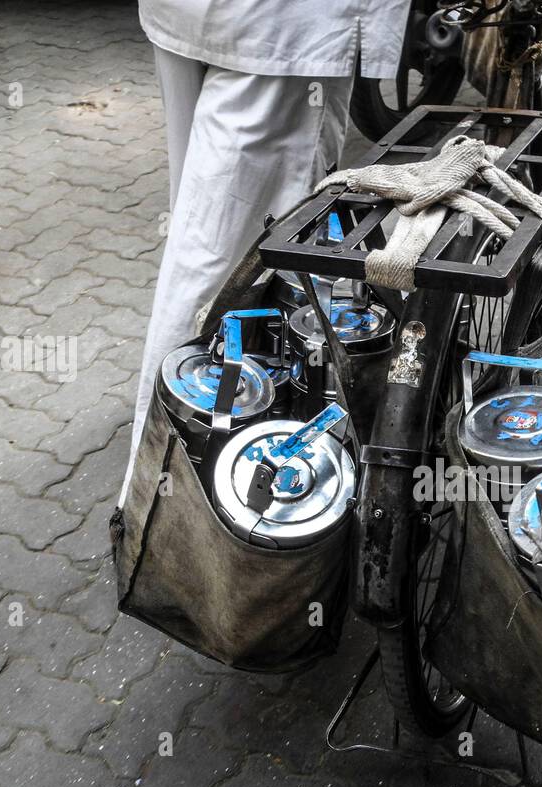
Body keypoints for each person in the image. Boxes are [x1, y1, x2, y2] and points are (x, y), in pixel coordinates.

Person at [121, 0, 410, 503]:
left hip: (198, 18)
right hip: (284, 32)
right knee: (221, 261)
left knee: (201, 233)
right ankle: (163, 493)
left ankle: (183, 452)